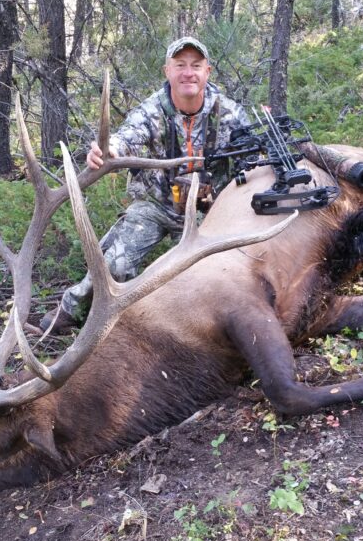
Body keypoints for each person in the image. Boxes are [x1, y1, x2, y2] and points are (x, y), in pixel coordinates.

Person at [40, 36, 251, 334]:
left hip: (212, 210)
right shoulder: (152, 110)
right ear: (167, 71)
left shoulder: (229, 112)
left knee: (223, 276)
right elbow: (126, 137)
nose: (188, 72)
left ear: (208, 71)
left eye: (196, 65)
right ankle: (74, 309)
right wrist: (108, 148)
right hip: (156, 205)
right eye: (180, 65)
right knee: (116, 266)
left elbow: (253, 152)